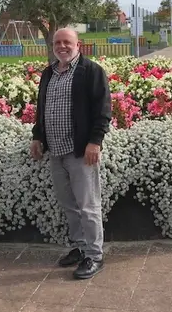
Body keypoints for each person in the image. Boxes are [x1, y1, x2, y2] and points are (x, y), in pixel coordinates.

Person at [30, 28, 112, 280]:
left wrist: (94, 142)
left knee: (88, 206)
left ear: (79, 45)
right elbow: (42, 109)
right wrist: (37, 136)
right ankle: (79, 247)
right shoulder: (49, 73)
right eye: (58, 42)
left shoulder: (91, 71)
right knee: (69, 206)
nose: (62, 46)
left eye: (67, 42)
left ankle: (95, 256)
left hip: (80, 152)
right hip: (56, 151)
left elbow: (103, 109)